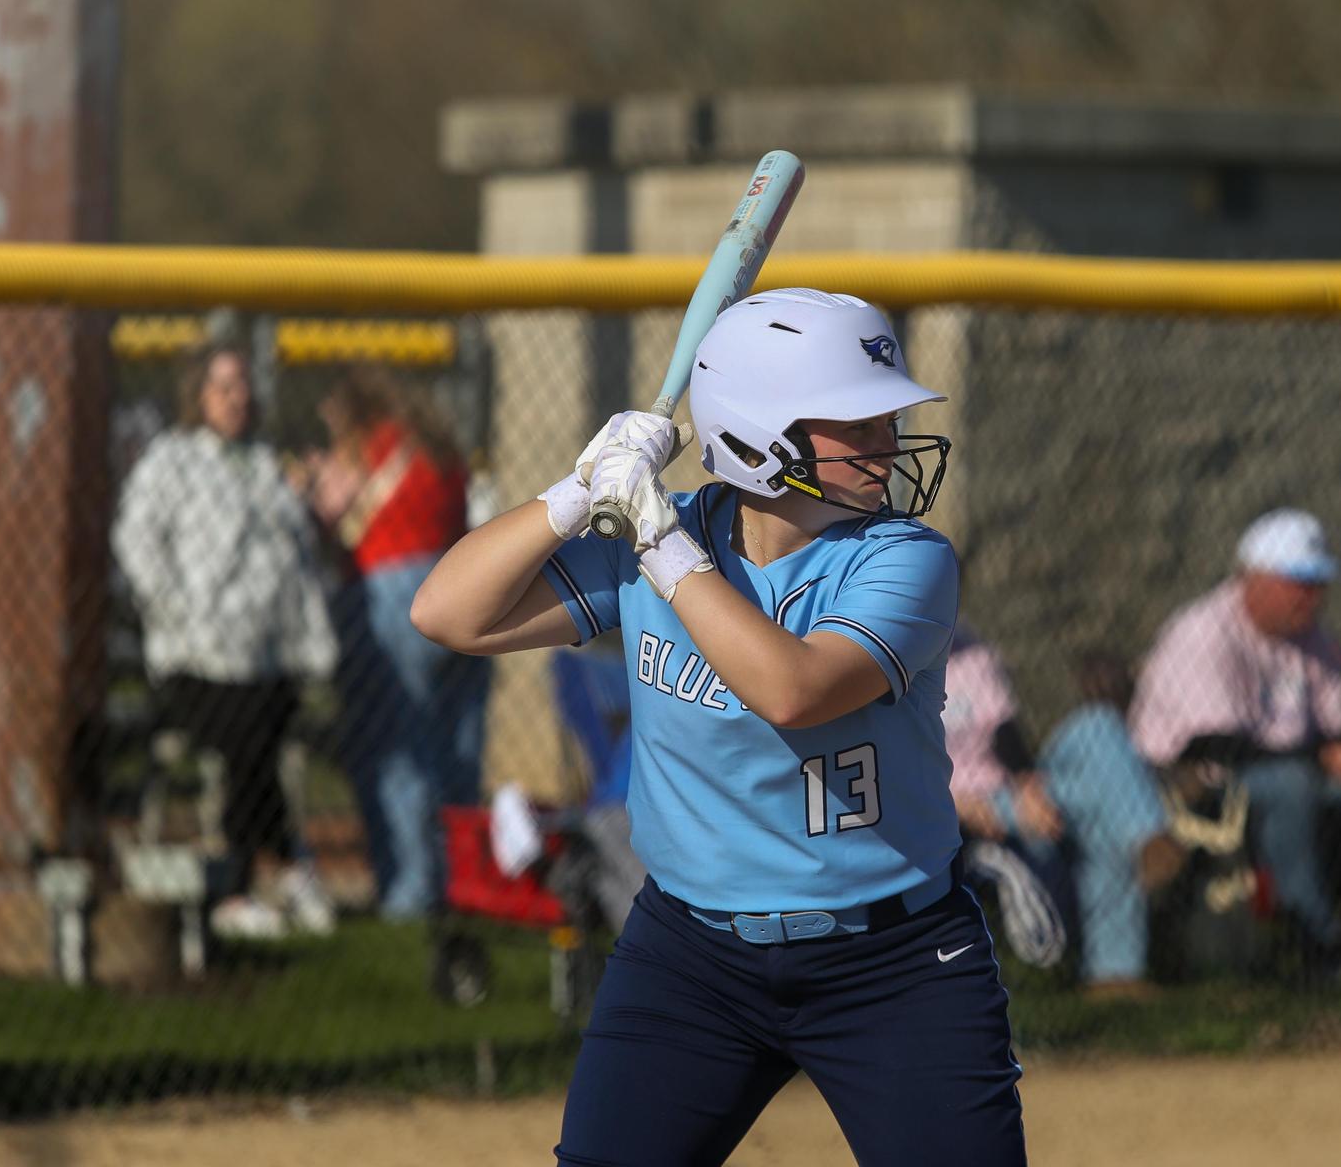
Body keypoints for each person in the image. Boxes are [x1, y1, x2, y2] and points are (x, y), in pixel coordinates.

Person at [412, 288, 1024, 1166]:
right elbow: (446, 613)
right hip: (691, 956)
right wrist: (578, 492)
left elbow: (792, 690)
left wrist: (662, 547)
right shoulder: (655, 540)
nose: (888, 442)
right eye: (857, 423)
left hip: (891, 960)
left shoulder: (904, 558)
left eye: (888, 419)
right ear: (759, 439)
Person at [1133, 508, 1341, 978]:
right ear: (1253, 579)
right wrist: (1327, 758)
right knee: (1290, 784)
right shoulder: (1202, 632)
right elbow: (1216, 746)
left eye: (1318, 583)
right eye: (1298, 582)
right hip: (1190, 790)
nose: (1312, 596)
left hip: (1286, 773)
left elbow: (1339, 728)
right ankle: (1314, 941)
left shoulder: (1310, 637)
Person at [113, 344, 338, 940]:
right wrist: (177, 612)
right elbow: (136, 541)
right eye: (223, 387)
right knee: (246, 740)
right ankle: (248, 882)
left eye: (242, 386)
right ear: (198, 394)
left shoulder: (262, 462)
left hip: (265, 652)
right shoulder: (172, 460)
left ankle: (275, 867)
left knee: (264, 731)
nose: (237, 399)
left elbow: (292, 556)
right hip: (195, 656)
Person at [303, 366, 489, 921]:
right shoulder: (435, 445)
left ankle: (409, 892)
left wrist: (311, 488)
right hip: (458, 589)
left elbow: (328, 515)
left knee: (393, 749)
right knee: (455, 751)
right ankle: (461, 885)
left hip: (388, 594)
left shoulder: (363, 447)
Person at [1037, 649, 1179, 999]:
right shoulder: (1088, 723)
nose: (1107, 685)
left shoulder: (1142, 723)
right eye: (1096, 678)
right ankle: (1148, 834)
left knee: (1105, 826)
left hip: (1081, 804)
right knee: (1099, 725)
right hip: (1011, 801)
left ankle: (1112, 977)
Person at [942, 626, 1070, 972]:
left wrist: (1029, 789)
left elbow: (1004, 729)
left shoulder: (973, 651)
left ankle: (1052, 955)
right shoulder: (891, 659)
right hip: (936, 798)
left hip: (996, 791)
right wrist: (953, 802)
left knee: (1046, 823)